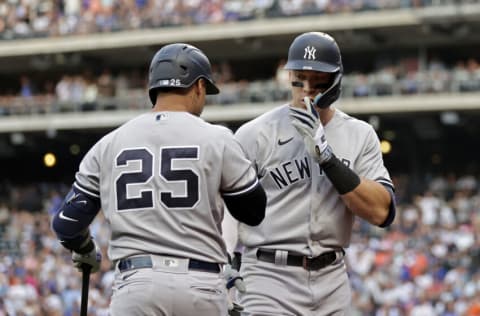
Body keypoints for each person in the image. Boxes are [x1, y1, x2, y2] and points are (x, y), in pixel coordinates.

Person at [51, 43, 267, 316]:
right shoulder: (217, 138)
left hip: (137, 286)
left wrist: (84, 247)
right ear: (199, 86)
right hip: (200, 285)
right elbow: (253, 211)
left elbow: (66, 224)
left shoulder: (109, 143)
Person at [229, 32, 396, 315]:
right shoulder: (256, 133)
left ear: (336, 81)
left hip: (331, 278)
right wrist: (227, 261)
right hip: (269, 275)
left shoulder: (359, 134)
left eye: (318, 77)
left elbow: (382, 213)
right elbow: (225, 205)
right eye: (300, 75)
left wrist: (328, 159)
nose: (307, 86)